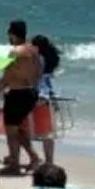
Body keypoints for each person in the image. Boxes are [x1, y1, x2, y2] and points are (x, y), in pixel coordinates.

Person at [0, 20, 42, 174]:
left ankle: (15, 164)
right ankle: (34, 158)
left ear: (12, 34)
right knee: (19, 130)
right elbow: (38, 72)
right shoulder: (34, 50)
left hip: (17, 94)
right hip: (31, 93)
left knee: (11, 132)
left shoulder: (15, 52)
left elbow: (6, 78)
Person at [32, 35, 62, 165]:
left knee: (28, 130)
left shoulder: (37, 60)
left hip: (40, 97)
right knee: (47, 133)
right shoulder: (51, 60)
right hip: (49, 96)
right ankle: (49, 160)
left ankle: (35, 158)